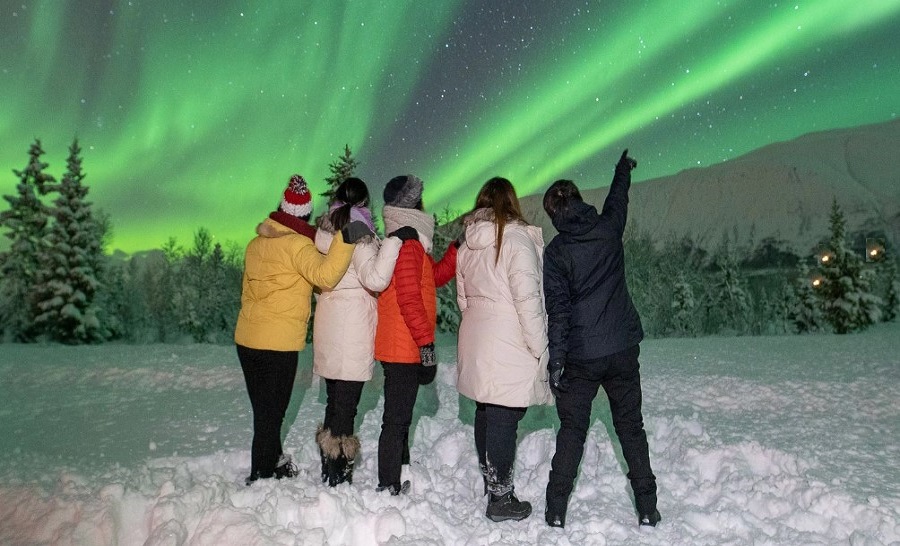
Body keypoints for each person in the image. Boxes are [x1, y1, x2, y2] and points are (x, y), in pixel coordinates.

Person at [541, 150, 660, 528]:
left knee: (572, 431)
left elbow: (558, 312)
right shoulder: (608, 229)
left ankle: (556, 510)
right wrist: (622, 169)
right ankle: (647, 507)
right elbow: (617, 200)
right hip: (622, 347)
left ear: (553, 214)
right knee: (631, 427)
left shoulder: (557, 252)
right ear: (577, 199)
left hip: (581, 355)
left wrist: (556, 360)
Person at [234, 174, 370, 486]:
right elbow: (326, 276)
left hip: (246, 340)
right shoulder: (297, 246)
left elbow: (246, 291)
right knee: (273, 414)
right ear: (305, 214)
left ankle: (272, 462)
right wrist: (346, 237)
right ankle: (261, 475)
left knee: (262, 411)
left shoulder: (256, 244)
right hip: (278, 343)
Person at [455, 177, 552, 522]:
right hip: (507, 337)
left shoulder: (467, 245)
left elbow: (463, 300)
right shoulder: (516, 240)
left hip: (476, 335)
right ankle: (500, 498)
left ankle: (492, 480)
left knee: (487, 410)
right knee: (503, 417)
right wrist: (541, 347)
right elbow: (528, 301)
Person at [311, 177, 410, 487]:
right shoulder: (358, 234)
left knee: (333, 400)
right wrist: (393, 242)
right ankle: (339, 475)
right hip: (352, 326)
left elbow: (319, 283)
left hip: (328, 321)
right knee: (346, 405)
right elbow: (375, 279)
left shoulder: (324, 233)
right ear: (365, 203)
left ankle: (330, 469)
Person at [374, 174, 457, 495]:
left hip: (401, 343)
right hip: (403, 346)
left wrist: (455, 251)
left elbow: (431, 278)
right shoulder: (408, 243)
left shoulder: (411, 243)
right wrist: (426, 343)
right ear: (413, 205)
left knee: (400, 415)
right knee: (395, 420)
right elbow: (409, 298)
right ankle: (387, 485)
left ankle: (398, 471)